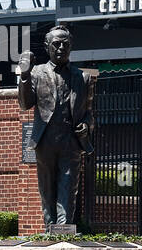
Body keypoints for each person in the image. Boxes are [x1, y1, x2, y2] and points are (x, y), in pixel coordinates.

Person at [17, 24, 95, 227]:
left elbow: (88, 113)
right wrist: (24, 76)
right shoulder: (36, 74)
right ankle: (49, 227)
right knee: (47, 188)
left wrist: (86, 126)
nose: (61, 48)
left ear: (71, 47)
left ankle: (63, 228)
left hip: (71, 141)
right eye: (56, 44)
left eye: (65, 44)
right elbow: (25, 104)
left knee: (68, 187)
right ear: (47, 47)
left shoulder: (83, 78)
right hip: (46, 140)